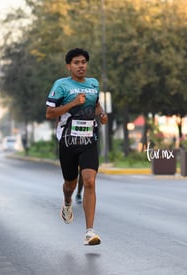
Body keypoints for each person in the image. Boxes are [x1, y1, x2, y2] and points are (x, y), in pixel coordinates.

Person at [45, 48, 108, 245]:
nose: (81, 65)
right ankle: (67, 202)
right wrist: (72, 103)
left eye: (84, 62)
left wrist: (102, 114)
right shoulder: (61, 85)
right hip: (68, 140)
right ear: (69, 66)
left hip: (89, 139)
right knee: (70, 184)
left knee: (89, 181)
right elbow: (49, 113)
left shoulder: (93, 84)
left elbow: (96, 105)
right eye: (76, 62)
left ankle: (89, 232)